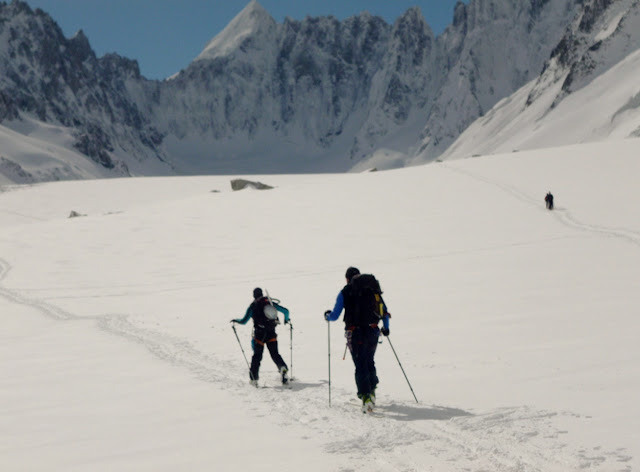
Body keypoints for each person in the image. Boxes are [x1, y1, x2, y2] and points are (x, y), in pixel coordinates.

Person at [324, 267, 391, 411]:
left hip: (355, 333)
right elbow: (384, 312)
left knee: (360, 365)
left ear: (347, 279)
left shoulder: (345, 292)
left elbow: (334, 316)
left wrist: (327, 316)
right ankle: (372, 390)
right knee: (369, 360)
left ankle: (365, 396)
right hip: (373, 331)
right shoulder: (373, 289)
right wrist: (386, 328)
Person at [231, 288, 290, 386]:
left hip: (259, 335)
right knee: (275, 354)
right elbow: (286, 311)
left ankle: (254, 378)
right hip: (271, 333)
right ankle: (282, 368)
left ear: (254, 295)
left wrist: (236, 321)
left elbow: (244, 321)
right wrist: (286, 320)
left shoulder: (253, 306)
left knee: (257, 357)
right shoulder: (269, 303)